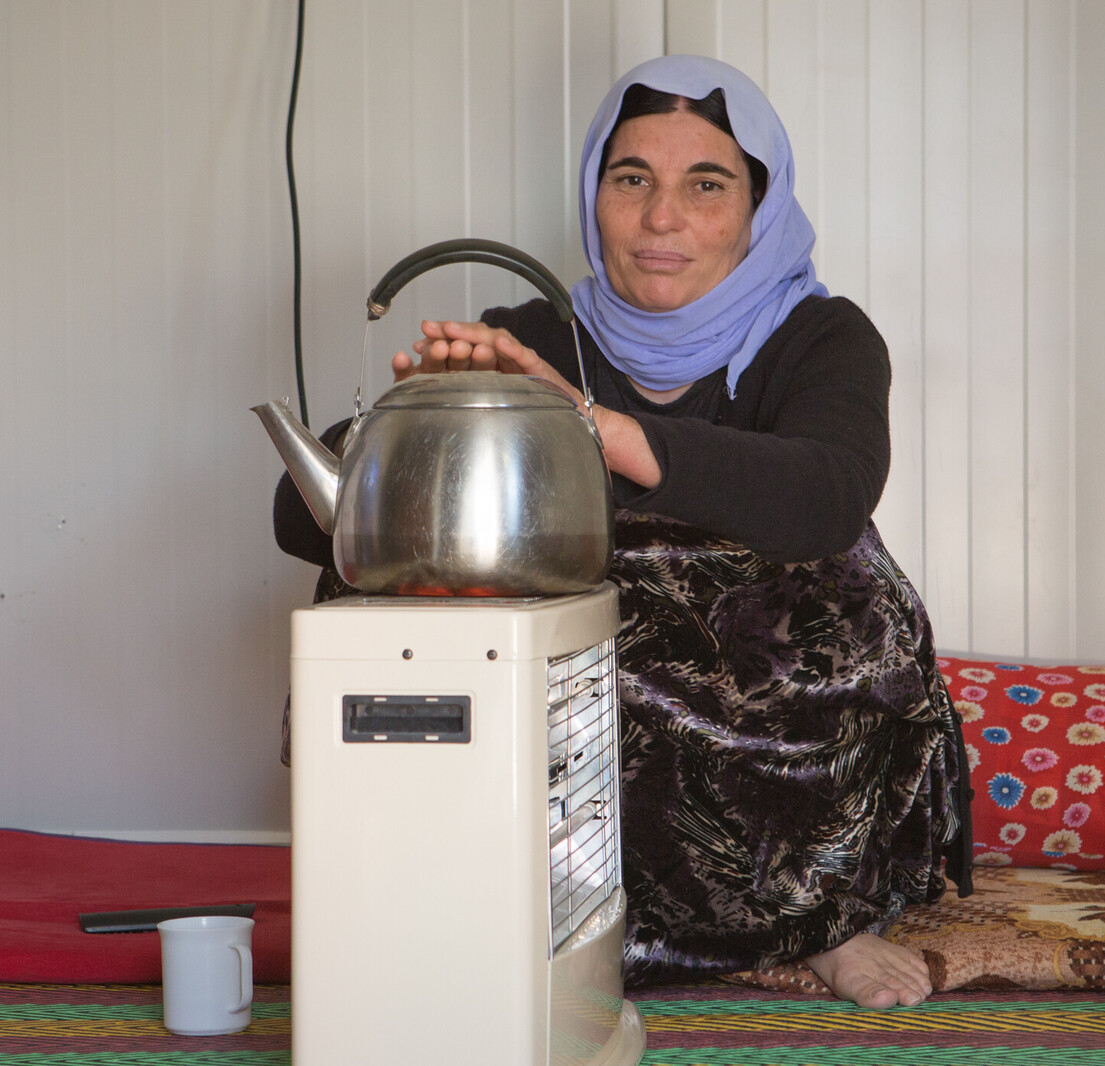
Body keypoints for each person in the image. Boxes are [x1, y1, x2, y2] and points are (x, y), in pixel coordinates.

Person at [274, 54, 970, 1009]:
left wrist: (586, 424)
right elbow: (301, 519)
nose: (661, 218)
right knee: (412, 607)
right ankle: (497, 908)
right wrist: (428, 423)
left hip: (775, 703)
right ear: (595, 193)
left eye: (706, 185)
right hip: (592, 684)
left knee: (845, 605)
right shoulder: (535, 334)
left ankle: (818, 916)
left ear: (757, 211)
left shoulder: (823, 337)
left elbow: (826, 496)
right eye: (631, 178)